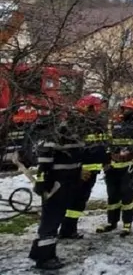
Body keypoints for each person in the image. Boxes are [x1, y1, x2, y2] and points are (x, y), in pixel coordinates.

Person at [28, 111, 84, 270]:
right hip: (55, 185)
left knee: (54, 219)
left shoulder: (75, 135)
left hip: (67, 183)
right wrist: (42, 182)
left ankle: (40, 252)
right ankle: (45, 259)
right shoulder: (58, 135)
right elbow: (44, 162)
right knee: (51, 221)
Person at [97, 98, 133, 237]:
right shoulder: (116, 123)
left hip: (129, 165)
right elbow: (108, 140)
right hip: (113, 165)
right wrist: (106, 158)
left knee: (127, 195)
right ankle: (112, 222)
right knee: (112, 195)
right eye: (123, 108)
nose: (123, 111)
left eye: (126, 109)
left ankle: (127, 224)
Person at [59, 95, 108, 240]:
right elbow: (73, 150)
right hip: (80, 170)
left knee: (79, 200)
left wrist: (105, 160)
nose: (101, 110)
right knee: (74, 200)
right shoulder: (78, 125)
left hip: (90, 169)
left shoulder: (95, 124)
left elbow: (100, 146)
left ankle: (69, 228)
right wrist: (79, 168)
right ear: (90, 107)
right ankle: (66, 229)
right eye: (99, 106)